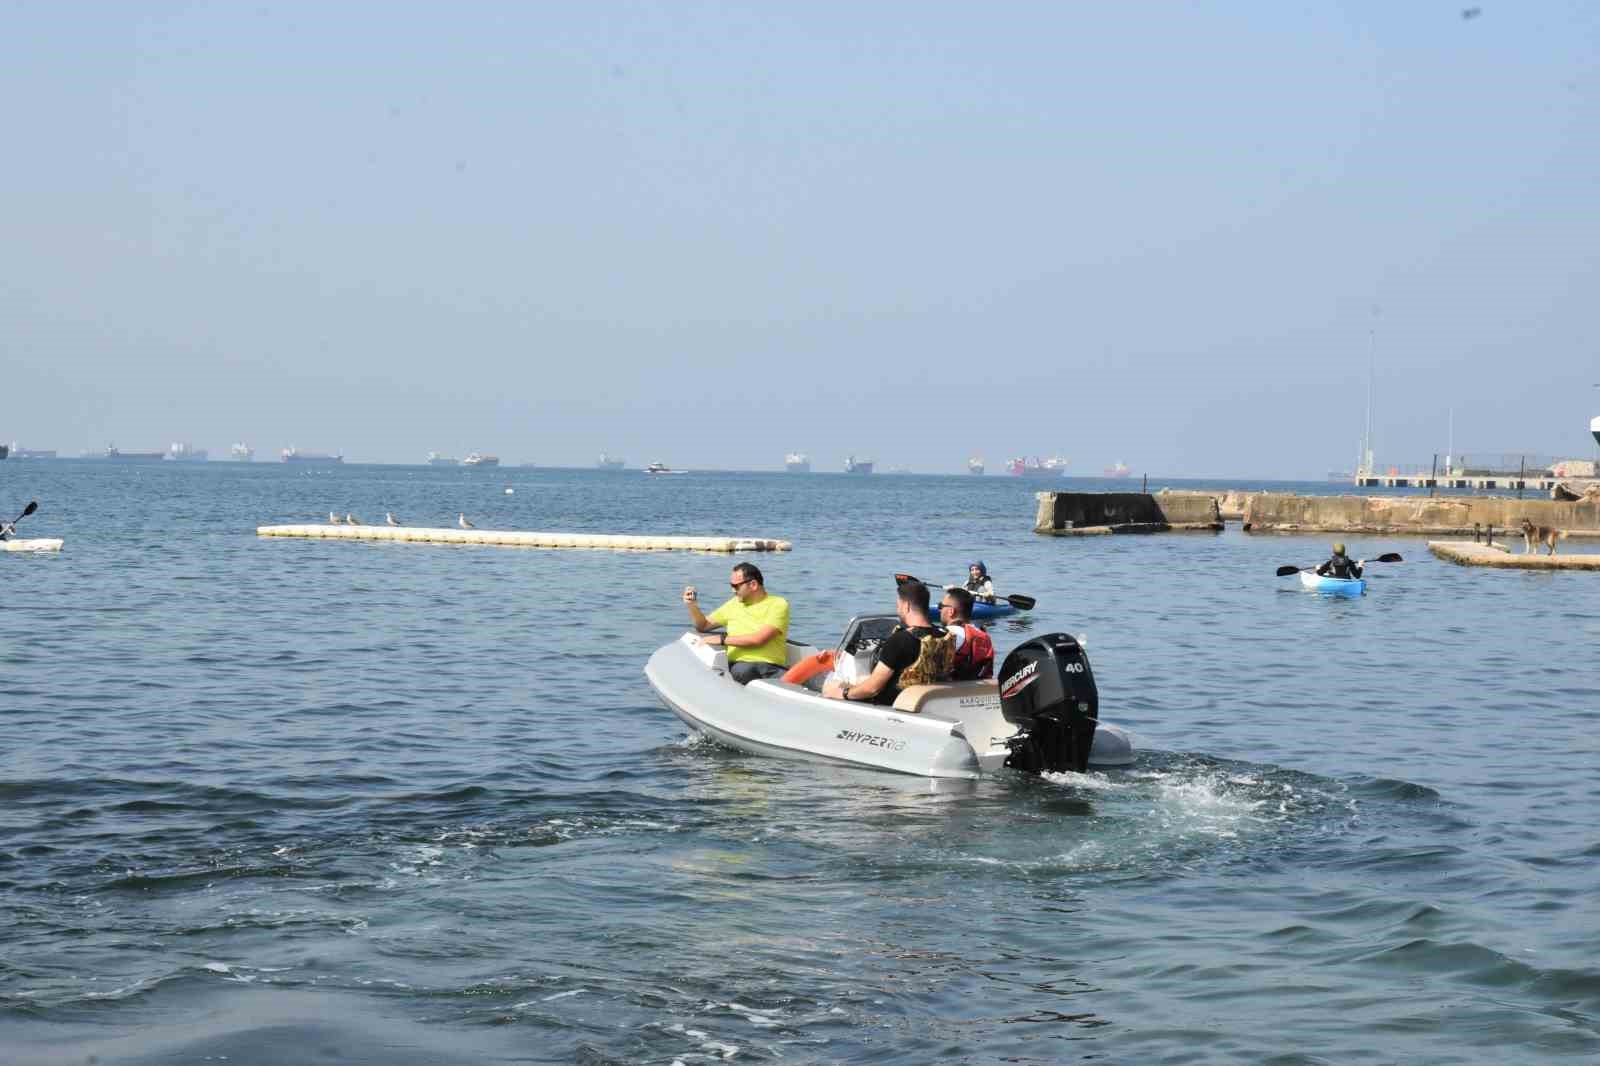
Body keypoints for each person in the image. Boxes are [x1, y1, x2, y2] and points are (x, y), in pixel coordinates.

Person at [823, 581, 953, 705]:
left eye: (898, 606)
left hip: (891, 705)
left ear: (906, 606)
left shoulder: (900, 640)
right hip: (926, 702)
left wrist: (843, 693)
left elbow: (872, 689)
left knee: (831, 683)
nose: (897, 610)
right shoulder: (944, 635)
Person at [683, 562, 790, 684]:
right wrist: (692, 606)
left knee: (791, 679)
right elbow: (703, 626)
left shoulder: (778, 604)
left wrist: (722, 639)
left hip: (770, 667)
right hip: (741, 666)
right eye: (731, 585)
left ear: (753, 585)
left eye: (736, 586)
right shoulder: (734, 604)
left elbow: (758, 639)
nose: (732, 590)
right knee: (744, 670)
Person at [938, 587, 995, 681]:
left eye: (941, 606)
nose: (940, 610)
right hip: (975, 689)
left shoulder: (948, 633)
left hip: (950, 690)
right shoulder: (984, 635)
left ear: (951, 611)